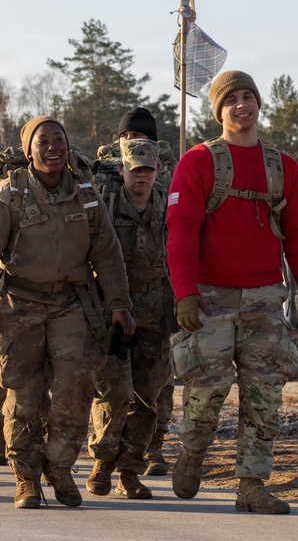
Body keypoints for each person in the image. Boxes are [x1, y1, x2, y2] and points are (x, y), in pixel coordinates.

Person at [165, 71, 298, 514]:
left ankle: (251, 486)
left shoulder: (283, 167)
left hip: (265, 299)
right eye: (231, 99)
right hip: (210, 298)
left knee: (265, 396)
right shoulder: (198, 162)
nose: (241, 105)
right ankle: (193, 451)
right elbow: (181, 230)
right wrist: (186, 293)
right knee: (206, 391)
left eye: (248, 96)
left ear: (258, 103)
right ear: (218, 110)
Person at [0, 116, 133, 509]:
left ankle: (58, 468)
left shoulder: (87, 196)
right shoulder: (7, 196)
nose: (53, 146)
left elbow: (108, 254)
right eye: (43, 140)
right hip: (17, 304)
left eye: (59, 139)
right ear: (29, 151)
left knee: (76, 387)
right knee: (25, 393)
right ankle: (25, 478)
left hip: (70, 303)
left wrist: (120, 306)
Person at [86, 138, 174, 500]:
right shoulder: (104, 206)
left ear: (157, 171)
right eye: (135, 169)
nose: (141, 176)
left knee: (147, 395)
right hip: (112, 309)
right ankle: (103, 461)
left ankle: (130, 470)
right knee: (114, 390)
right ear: (121, 170)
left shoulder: (169, 207)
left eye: (148, 169)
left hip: (156, 309)